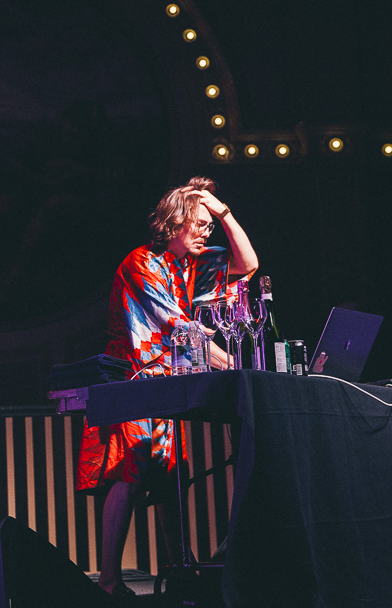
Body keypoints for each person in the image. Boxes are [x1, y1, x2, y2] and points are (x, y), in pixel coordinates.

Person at [75, 175, 258, 597]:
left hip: (168, 383)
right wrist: (235, 366)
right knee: (131, 471)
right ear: (174, 222)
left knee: (173, 475)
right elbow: (180, 328)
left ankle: (179, 568)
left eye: (208, 226)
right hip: (134, 379)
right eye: (198, 223)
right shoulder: (140, 262)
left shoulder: (190, 266)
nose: (205, 231)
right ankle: (108, 580)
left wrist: (221, 211)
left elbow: (247, 264)